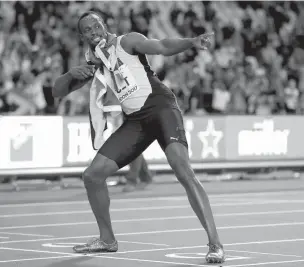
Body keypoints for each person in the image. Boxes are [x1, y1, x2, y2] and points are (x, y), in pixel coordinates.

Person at [52, 11, 225, 263]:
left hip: (161, 108)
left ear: (105, 26)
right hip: (136, 121)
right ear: (82, 36)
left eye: (96, 26)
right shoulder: (95, 60)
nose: (93, 32)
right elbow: (57, 92)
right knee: (92, 176)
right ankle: (107, 239)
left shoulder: (127, 41)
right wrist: (70, 75)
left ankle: (215, 244)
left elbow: (163, 47)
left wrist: (191, 42)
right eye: (87, 30)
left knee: (182, 170)